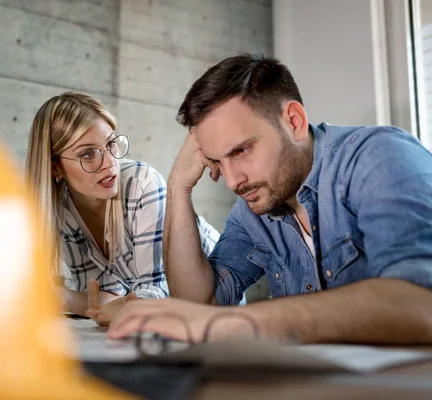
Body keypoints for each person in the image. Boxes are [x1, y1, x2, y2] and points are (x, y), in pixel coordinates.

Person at [105, 54, 432, 344]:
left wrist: (244, 324)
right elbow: (198, 304)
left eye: (241, 150)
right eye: (218, 161)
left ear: (294, 122)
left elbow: (420, 300)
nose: (233, 181)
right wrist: (178, 186)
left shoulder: (379, 158)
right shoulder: (254, 209)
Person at [26, 92, 219, 324]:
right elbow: (105, 299)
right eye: (88, 154)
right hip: (170, 319)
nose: (109, 164)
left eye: (110, 144)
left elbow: (155, 295)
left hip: (216, 303)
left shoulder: (142, 184)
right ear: (54, 168)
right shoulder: (62, 212)